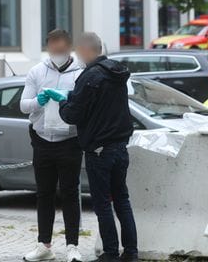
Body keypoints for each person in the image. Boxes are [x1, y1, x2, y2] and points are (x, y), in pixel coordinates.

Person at [44, 32, 138, 262]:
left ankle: (110, 253)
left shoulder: (90, 77)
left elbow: (73, 115)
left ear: (86, 50)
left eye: (77, 51)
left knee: (103, 204)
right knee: (122, 201)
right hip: (120, 147)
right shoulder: (117, 72)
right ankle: (131, 252)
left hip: (99, 150)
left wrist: (64, 101)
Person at [20, 30, 84, 262]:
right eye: (52, 48)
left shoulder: (81, 73)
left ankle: (72, 246)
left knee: (70, 193)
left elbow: (85, 106)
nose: (57, 53)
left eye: (61, 49)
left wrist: (67, 99)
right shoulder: (37, 71)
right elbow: (23, 105)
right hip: (42, 141)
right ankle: (44, 244)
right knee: (44, 194)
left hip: (70, 141)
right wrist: (38, 102)